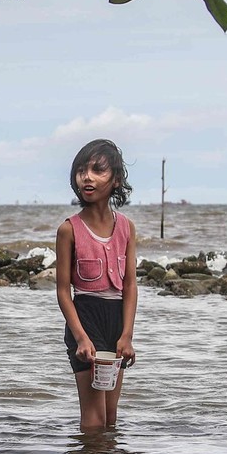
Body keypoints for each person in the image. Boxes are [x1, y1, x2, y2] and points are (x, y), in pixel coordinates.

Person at [56, 139, 137, 430]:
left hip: (115, 322)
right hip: (85, 318)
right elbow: (63, 291)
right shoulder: (69, 229)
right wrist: (80, 337)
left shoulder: (126, 227)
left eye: (97, 170)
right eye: (80, 170)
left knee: (111, 417)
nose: (86, 177)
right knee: (94, 418)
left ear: (115, 180)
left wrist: (126, 335)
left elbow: (129, 286)